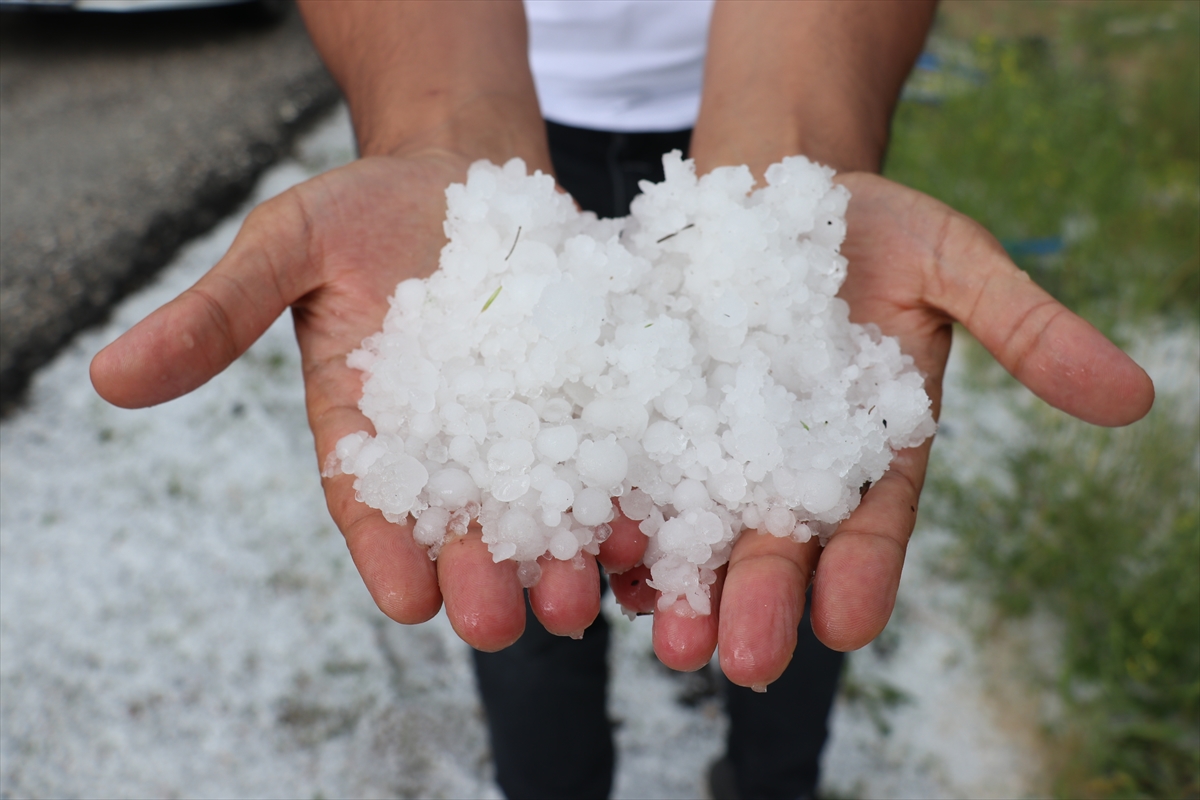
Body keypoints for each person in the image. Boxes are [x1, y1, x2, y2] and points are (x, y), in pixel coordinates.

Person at [89, 2, 1155, 798]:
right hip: (476, 143)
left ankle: (769, 779)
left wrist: (802, 136)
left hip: (790, 103)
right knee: (522, 581)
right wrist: (433, 123)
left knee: (791, 549)